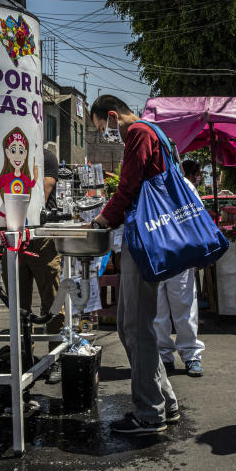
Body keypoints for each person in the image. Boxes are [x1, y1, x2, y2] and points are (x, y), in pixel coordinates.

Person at [89, 95, 178, 435]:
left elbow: (127, 188)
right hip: (145, 239)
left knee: (137, 327)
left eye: (102, 128)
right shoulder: (152, 132)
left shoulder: (139, 134)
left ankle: (149, 412)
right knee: (129, 324)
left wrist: (100, 221)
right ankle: (164, 401)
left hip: (145, 240)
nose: (105, 135)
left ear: (113, 117)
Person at [2, 146, 64, 384]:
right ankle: (23, 356)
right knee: (18, 305)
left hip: (39, 239)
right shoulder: (7, 159)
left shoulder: (46, 157)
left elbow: (45, 190)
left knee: (53, 302)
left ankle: (55, 358)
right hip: (12, 239)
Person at [154, 159, 205, 377]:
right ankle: (163, 357)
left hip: (179, 255)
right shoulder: (146, 185)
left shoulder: (184, 185)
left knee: (184, 309)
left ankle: (191, 355)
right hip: (154, 256)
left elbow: (197, 217)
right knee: (157, 314)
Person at [0, 127, 39, 219]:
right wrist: (2, 215)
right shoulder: (5, 178)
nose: (18, 156)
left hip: (23, 221)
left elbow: (32, 185)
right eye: (13, 151)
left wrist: (36, 176)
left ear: (25, 154)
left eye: (21, 151)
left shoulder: (25, 178)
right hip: (10, 223)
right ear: (7, 153)